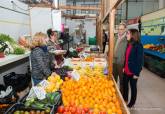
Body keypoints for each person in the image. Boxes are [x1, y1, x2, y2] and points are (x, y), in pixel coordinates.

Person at [123, 29, 144, 108]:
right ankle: (125, 100)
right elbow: (126, 57)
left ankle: (132, 103)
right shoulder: (128, 44)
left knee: (133, 87)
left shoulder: (138, 46)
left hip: (133, 71)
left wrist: (136, 73)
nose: (126, 35)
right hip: (126, 70)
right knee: (125, 86)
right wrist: (123, 67)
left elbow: (140, 61)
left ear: (133, 35)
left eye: (128, 33)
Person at [113, 23, 127, 95]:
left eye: (121, 29)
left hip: (121, 63)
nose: (120, 31)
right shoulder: (115, 37)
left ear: (125, 30)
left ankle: (121, 96)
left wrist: (125, 64)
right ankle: (114, 93)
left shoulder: (127, 39)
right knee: (113, 79)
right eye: (119, 29)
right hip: (113, 61)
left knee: (122, 80)